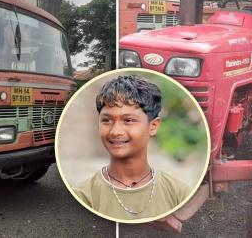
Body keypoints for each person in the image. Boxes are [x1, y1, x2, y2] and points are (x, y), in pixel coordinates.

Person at [75, 75, 191, 220]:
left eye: (128, 120)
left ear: (153, 126)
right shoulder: (84, 195)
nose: (115, 131)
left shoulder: (178, 193)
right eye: (106, 120)